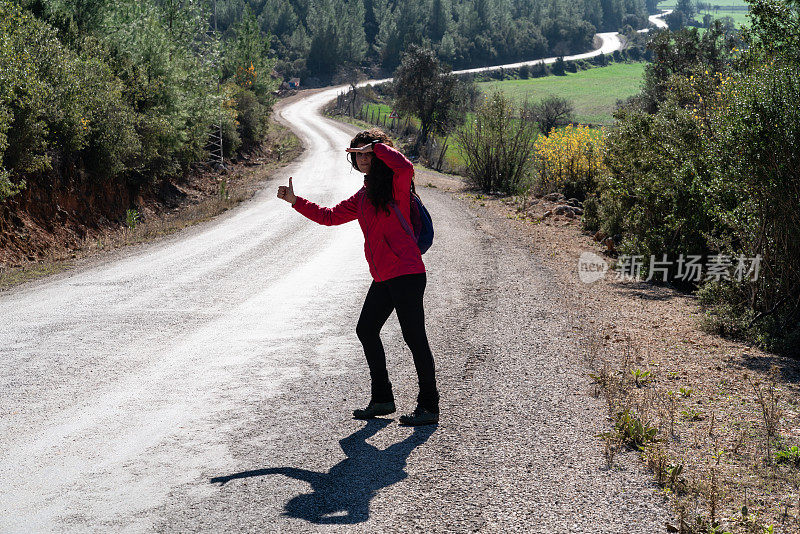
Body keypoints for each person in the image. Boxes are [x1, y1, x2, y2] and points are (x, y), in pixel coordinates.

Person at [276, 128, 439, 426]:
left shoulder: (397, 186)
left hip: (406, 273)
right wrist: (296, 201)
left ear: (378, 154)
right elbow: (329, 216)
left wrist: (378, 147)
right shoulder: (363, 196)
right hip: (384, 277)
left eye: (368, 154)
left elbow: (406, 166)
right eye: (358, 155)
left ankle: (429, 406)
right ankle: (382, 399)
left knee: (414, 338)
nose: (364, 159)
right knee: (366, 330)